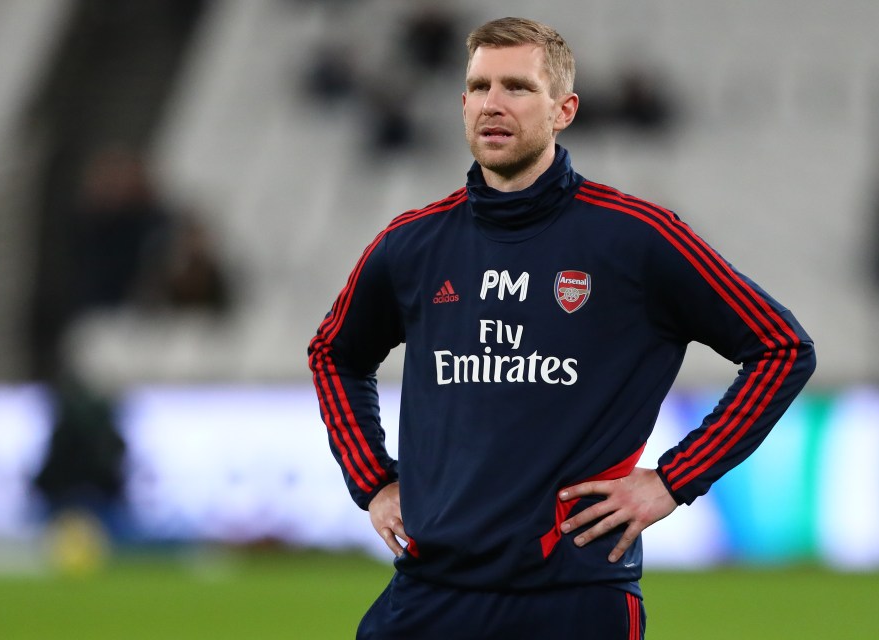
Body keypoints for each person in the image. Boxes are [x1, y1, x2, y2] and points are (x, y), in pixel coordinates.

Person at [307, 17, 815, 639]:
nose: (493, 104)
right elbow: (335, 353)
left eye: (517, 86)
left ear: (564, 109)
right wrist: (373, 481)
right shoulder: (411, 244)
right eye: (479, 86)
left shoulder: (636, 238)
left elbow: (782, 347)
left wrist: (674, 480)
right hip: (430, 593)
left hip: (573, 602)